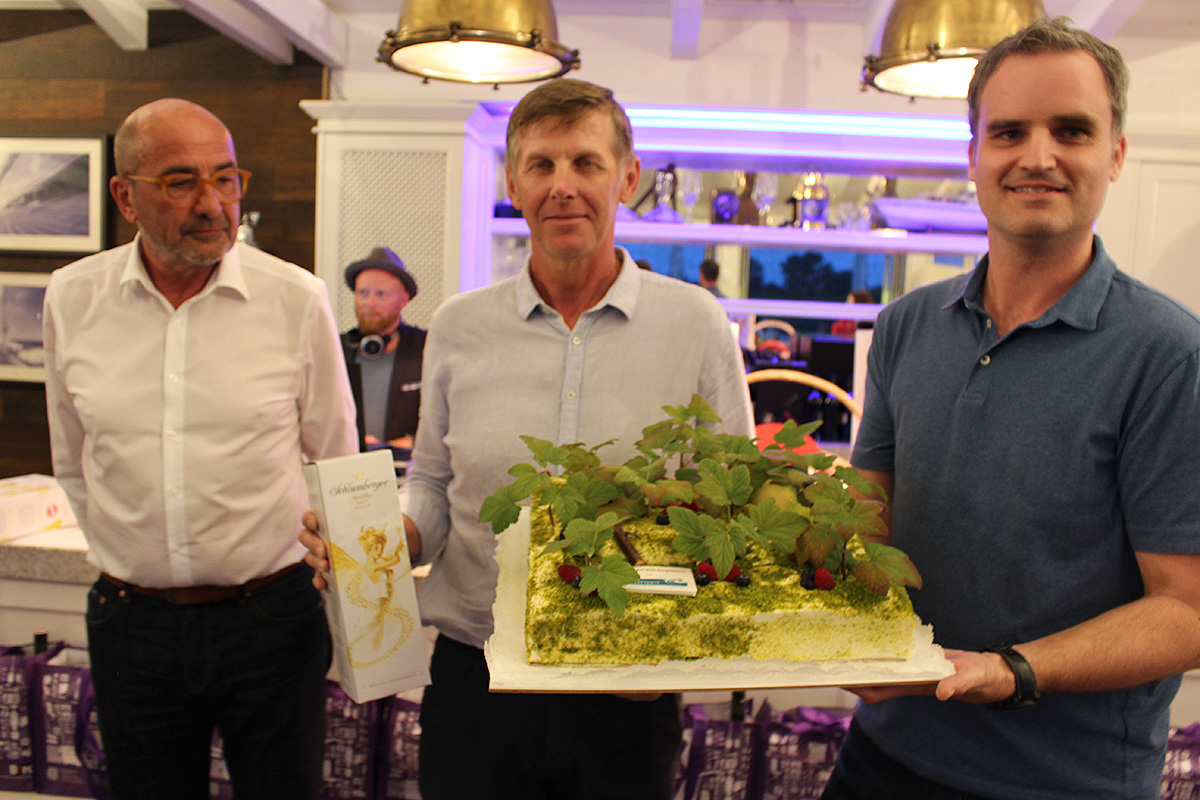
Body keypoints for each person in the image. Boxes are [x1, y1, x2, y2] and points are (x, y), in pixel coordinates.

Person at [303, 78, 753, 799]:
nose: (562, 185)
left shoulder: (695, 324)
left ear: (627, 178)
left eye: (586, 163)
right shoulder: (459, 326)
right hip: (477, 680)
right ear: (513, 183)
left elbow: (732, 506)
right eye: (541, 165)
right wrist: (383, 539)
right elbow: (432, 483)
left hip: (626, 677)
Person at [822, 17, 1200, 800]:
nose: (1038, 156)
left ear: (1116, 153)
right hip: (884, 755)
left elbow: (1187, 610)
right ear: (974, 157)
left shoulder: (1169, 354)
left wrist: (1011, 671)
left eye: (1072, 130)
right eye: (1009, 132)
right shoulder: (906, 326)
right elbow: (868, 522)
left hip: (1064, 783)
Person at [43, 98, 357, 800]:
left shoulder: (295, 299)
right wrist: (139, 558)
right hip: (131, 625)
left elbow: (338, 466)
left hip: (272, 620)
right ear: (125, 196)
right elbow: (74, 461)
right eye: (181, 182)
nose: (213, 204)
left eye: (226, 178)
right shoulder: (72, 298)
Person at [340, 246, 425, 451]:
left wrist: (415, 441)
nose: (370, 303)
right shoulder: (336, 349)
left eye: (381, 294)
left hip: (404, 466)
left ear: (403, 299)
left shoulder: (426, 348)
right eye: (363, 293)